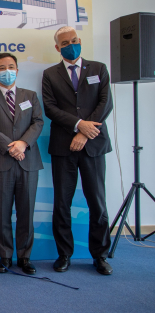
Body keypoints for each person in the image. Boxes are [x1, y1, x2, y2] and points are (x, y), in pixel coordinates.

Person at [42, 26, 114, 275]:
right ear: (57, 47)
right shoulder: (50, 74)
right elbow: (50, 108)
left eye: (74, 40)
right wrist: (76, 125)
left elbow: (106, 103)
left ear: (80, 41)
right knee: (62, 203)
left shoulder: (99, 68)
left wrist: (84, 131)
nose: (70, 45)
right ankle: (64, 255)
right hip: (64, 147)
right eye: (65, 42)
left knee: (98, 203)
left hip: (93, 144)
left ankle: (100, 256)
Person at [0, 52, 44, 275]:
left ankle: (25, 258)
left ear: (17, 69)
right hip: (1, 162)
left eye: (11, 66)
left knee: (26, 213)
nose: (7, 71)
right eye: (2, 67)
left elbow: (38, 122)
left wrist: (23, 144)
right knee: (3, 213)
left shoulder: (31, 96)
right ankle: (5, 256)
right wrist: (11, 147)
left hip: (28, 162)